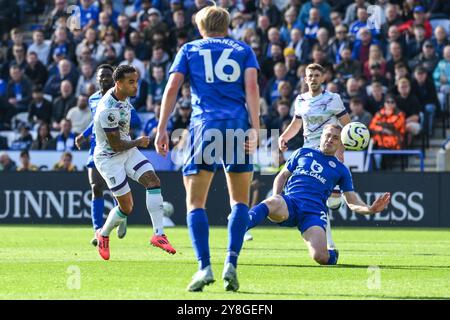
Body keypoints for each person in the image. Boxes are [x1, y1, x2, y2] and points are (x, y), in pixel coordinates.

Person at [155, 5, 260, 292]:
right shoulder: (243, 49)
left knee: (195, 202)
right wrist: (256, 125)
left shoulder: (190, 49)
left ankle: (204, 266)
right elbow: (252, 88)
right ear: (226, 26)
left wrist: (162, 127)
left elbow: (172, 87)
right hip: (238, 123)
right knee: (239, 201)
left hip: (205, 125)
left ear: (201, 27)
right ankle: (232, 262)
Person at [247, 124, 391, 265]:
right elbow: (282, 176)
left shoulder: (342, 170)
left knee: (320, 257)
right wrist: (277, 196)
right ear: (321, 136)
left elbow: (351, 201)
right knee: (272, 202)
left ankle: (332, 254)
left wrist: (370, 209)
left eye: (335, 138)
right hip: (291, 203)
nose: (330, 139)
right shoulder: (302, 152)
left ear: (341, 143)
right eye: (328, 135)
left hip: (313, 212)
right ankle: (242, 225)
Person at [93, 64, 176, 261]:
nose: (135, 86)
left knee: (153, 181)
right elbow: (114, 145)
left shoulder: (124, 96)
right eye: (131, 82)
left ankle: (159, 234)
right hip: (109, 158)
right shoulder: (108, 110)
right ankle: (103, 234)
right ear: (118, 83)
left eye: (136, 81)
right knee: (127, 208)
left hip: (128, 150)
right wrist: (138, 142)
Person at [278, 63, 351, 253]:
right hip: (309, 153)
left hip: (330, 153)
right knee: (317, 201)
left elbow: (347, 126)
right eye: (309, 75)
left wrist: (341, 150)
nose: (312, 78)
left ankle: (335, 200)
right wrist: (284, 136)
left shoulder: (333, 99)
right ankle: (328, 243)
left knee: (330, 201)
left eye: (316, 75)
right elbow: (296, 123)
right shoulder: (301, 100)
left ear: (323, 78)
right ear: (305, 79)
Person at [75, 64, 144, 247]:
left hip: (118, 147)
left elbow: (135, 119)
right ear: (97, 79)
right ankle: (98, 230)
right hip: (96, 147)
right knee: (96, 187)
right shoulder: (93, 99)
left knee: (116, 186)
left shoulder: (122, 97)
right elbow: (96, 119)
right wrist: (85, 134)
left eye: (107, 75)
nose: (104, 78)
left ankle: (121, 215)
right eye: (101, 76)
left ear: (114, 79)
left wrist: (122, 125)